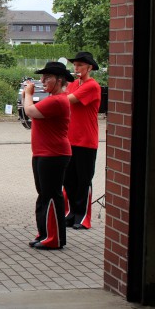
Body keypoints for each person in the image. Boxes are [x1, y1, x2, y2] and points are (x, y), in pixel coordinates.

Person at [22, 61, 73, 250]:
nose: (42, 80)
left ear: (59, 80)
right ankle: (44, 233)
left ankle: (54, 238)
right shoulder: (52, 98)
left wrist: (28, 94)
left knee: (52, 196)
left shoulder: (58, 100)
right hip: (43, 154)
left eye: (47, 77)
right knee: (43, 195)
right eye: (42, 77)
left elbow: (30, 111)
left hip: (53, 154)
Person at [64, 52, 101, 230]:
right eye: (75, 65)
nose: (76, 68)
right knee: (69, 179)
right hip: (70, 139)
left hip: (86, 140)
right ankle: (71, 213)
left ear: (89, 67)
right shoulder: (73, 84)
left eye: (79, 65)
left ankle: (83, 217)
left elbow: (69, 99)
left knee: (83, 180)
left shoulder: (92, 86)